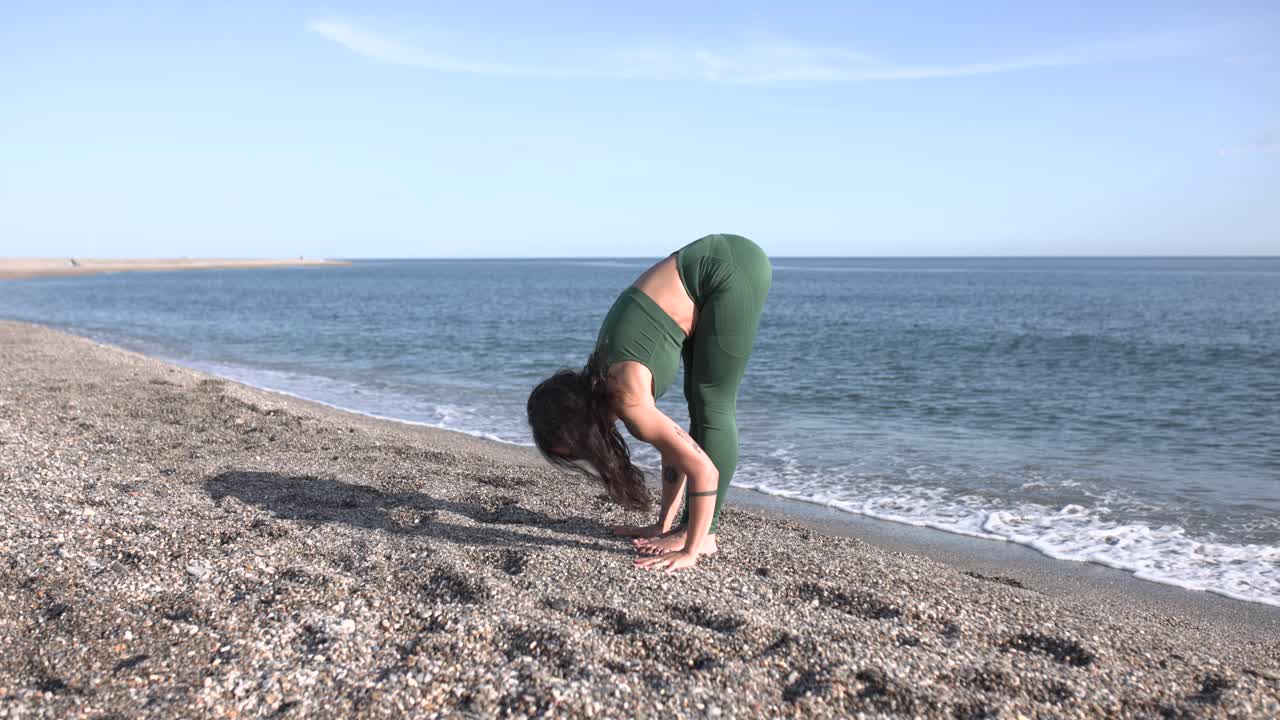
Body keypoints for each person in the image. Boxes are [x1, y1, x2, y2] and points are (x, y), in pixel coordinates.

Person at [527, 234, 772, 572]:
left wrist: (689, 552)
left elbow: (703, 470)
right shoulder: (600, 378)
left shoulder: (628, 399)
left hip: (731, 269)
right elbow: (672, 449)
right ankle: (682, 528)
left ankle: (703, 537)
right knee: (699, 404)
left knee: (712, 403)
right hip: (706, 267)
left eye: (581, 447)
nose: (590, 453)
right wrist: (662, 525)